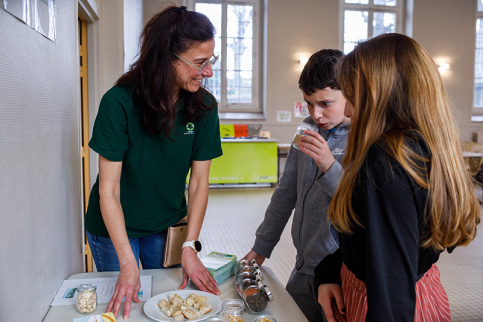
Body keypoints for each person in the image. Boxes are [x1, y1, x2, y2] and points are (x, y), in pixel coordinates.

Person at [315, 33, 481, 322]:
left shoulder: (387, 159)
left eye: (353, 95)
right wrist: (331, 270)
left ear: (378, 94)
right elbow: (379, 242)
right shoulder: (420, 146)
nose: (350, 110)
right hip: (421, 293)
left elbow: (390, 283)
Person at [84, 5, 222, 320]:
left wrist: (189, 246)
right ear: (166, 58)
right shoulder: (118, 103)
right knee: (126, 308)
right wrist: (127, 263)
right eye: (200, 63)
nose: (208, 72)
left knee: (168, 305)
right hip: (114, 228)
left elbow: (199, 182)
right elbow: (109, 190)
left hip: (167, 226)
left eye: (211, 61)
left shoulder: (203, 107)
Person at [244, 49, 350, 322]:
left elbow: (359, 205)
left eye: (326, 103)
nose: (316, 114)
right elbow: (286, 190)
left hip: (340, 271)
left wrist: (330, 166)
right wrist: (262, 244)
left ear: (350, 92)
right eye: (308, 104)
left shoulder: (362, 138)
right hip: (303, 264)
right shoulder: (307, 129)